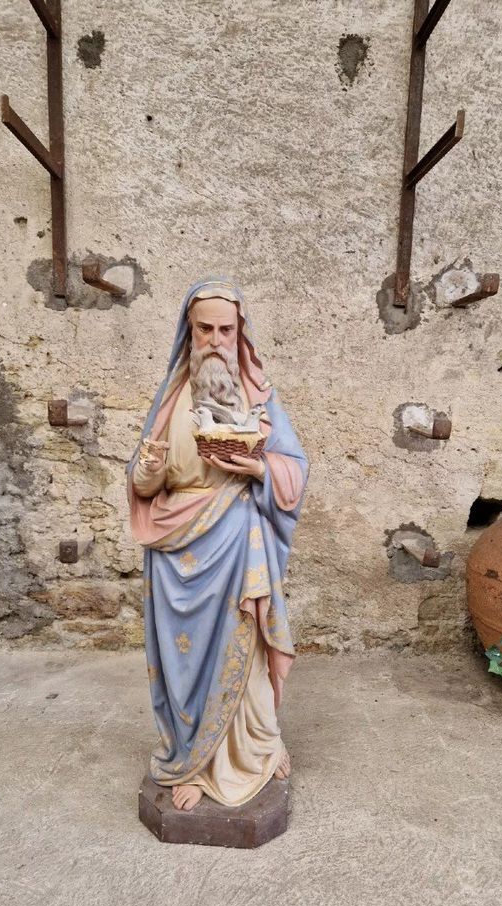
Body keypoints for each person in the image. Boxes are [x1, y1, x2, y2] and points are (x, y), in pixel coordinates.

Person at [127, 279, 308, 811]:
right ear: (189, 331)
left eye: (225, 329)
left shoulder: (258, 396)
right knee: (185, 665)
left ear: (239, 333)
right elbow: (143, 482)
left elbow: (294, 469)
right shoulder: (169, 401)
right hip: (175, 551)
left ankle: (259, 743)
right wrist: (147, 474)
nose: (214, 339)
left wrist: (258, 468)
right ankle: (194, 759)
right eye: (204, 328)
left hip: (236, 546)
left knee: (244, 652)